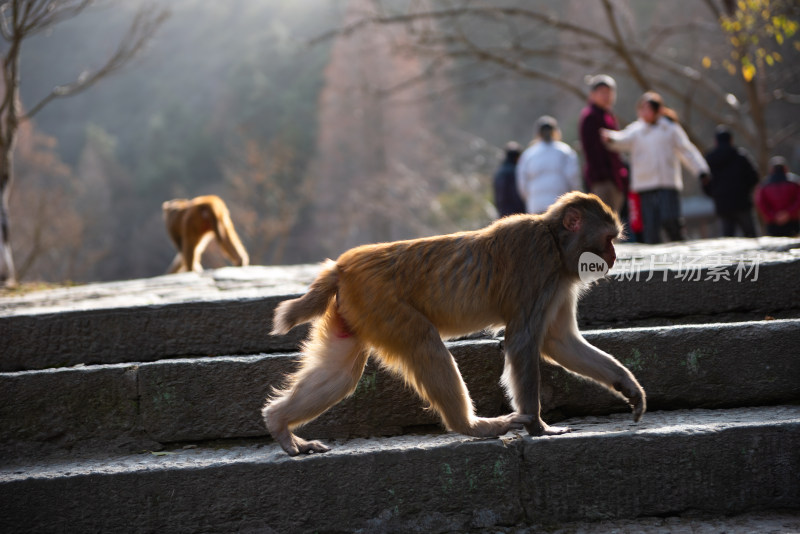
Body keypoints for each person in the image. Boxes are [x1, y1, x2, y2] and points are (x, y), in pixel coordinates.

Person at [602, 92, 709, 244]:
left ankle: (679, 245)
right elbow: (621, 139)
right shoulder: (637, 130)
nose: (644, 113)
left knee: (670, 220)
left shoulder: (670, 129)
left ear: (658, 110)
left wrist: (701, 170)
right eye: (642, 109)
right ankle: (654, 258)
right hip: (645, 185)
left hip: (668, 183)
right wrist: (610, 137)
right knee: (650, 226)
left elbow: (687, 151)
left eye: (648, 109)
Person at [579, 74, 628, 213]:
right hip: (602, 180)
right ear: (592, 95)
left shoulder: (608, 116)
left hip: (615, 178)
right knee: (605, 224)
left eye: (610, 93)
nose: (607, 96)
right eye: (603, 93)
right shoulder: (590, 116)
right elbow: (591, 151)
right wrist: (602, 175)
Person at [515, 116, 581, 214]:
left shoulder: (528, 155)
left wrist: (530, 199)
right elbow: (573, 177)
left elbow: (522, 184)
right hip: (560, 205)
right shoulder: (565, 151)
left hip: (536, 206)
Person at [702, 126, 759, 237]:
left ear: (716, 141)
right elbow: (754, 177)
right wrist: (746, 190)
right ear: (731, 140)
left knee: (727, 238)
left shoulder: (709, 159)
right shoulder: (741, 156)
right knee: (751, 236)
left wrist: (714, 194)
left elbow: (704, 181)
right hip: (742, 202)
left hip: (722, 204)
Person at [755, 156, 800, 237]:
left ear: (771, 170)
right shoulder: (794, 183)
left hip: (773, 222)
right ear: (786, 168)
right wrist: (788, 213)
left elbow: (760, 203)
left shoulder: (764, 185)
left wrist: (773, 215)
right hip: (792, 221)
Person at [492, 141, 526, 218]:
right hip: (516, 213)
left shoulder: (499, 172)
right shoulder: (516, 171)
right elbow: (518, 194)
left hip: (502, 211)